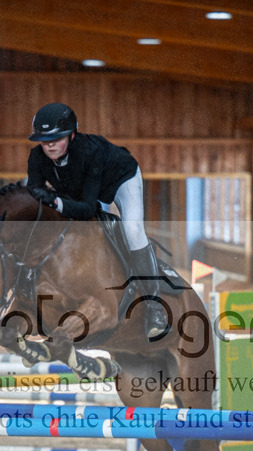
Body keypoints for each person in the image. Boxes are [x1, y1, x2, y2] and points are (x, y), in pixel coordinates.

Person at [25, 103, 169, 338]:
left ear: (72, 135)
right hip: (83, 187)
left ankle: (155, 307)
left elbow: (89, 206)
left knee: (132, 230)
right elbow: (35, 199)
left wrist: (56, 202)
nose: (49, 144)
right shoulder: (37, 157)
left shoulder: (89, 153)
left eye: (56, 138)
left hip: (120, 179)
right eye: (43, 139)